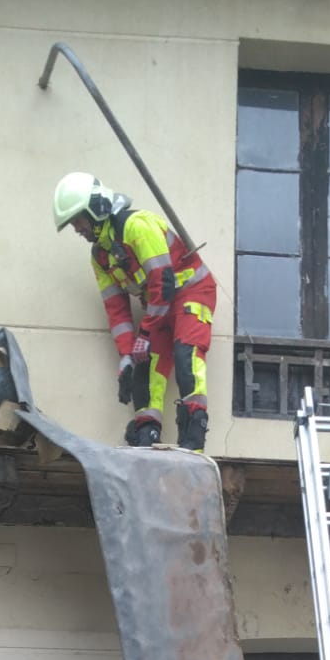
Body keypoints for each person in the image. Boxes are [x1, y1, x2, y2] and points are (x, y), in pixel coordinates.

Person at [52, 171, 217, 452]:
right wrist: (127, 355)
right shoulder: (100, 256)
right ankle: (146, 433)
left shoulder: (136, 226)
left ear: (95, 209)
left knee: (185, 355)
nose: (77, 229)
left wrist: (146, 332)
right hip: (158, 307)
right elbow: (117, 311)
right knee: (144, 367)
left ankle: (193, 433)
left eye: (77, 221)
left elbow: (163, 281)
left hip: (191, 291)